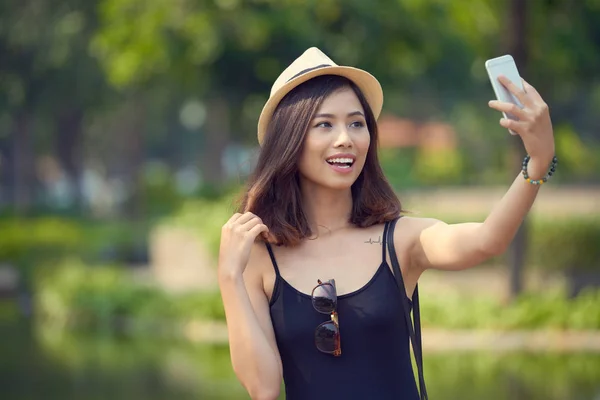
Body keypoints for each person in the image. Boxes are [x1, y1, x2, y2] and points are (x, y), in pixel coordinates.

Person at [217, 47, 555, 400]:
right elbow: (264, 388)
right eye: (324, 124)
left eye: (356, 123)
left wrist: (538, 162)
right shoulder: (260, 255)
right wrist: (229, 277)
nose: (345, 138)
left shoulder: (400, 240)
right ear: (290, 140)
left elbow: (487, 240)